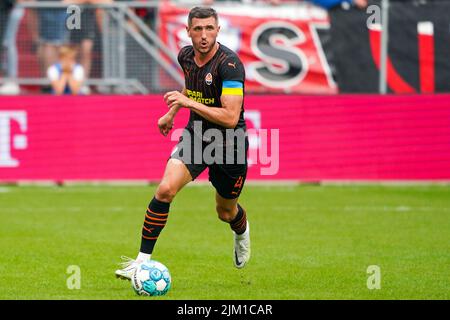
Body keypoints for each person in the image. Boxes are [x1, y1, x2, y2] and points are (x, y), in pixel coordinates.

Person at [115, 7, 251, 279]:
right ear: (188, 31)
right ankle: (141, 262)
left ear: (218, 30)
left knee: (225, 212)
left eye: (209, 28)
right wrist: (172, 112)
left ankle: (241, 231)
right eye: (198, 29)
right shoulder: (186, 56)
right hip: (197, 135)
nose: (204, 35)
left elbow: (230, 116)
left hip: (229, 144)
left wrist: (187, 103)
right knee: (165, 189)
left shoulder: (230, 66)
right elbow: (192, 88)